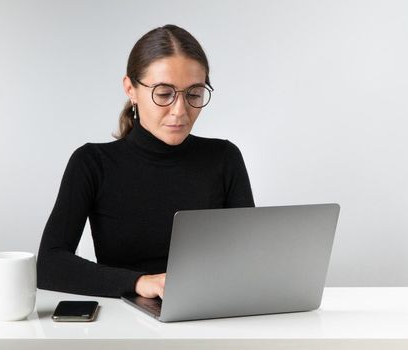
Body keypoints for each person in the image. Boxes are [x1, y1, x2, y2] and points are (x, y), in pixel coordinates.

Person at [37, 24, 255, 299]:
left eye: (194, 94)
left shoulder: (224, 158)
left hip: (209, 313)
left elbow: (249, 260)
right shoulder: (92, 163)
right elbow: (49, 264)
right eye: (164, 94)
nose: (180, 111)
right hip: (125, 319)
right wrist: (140, 283)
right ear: (131, 89)